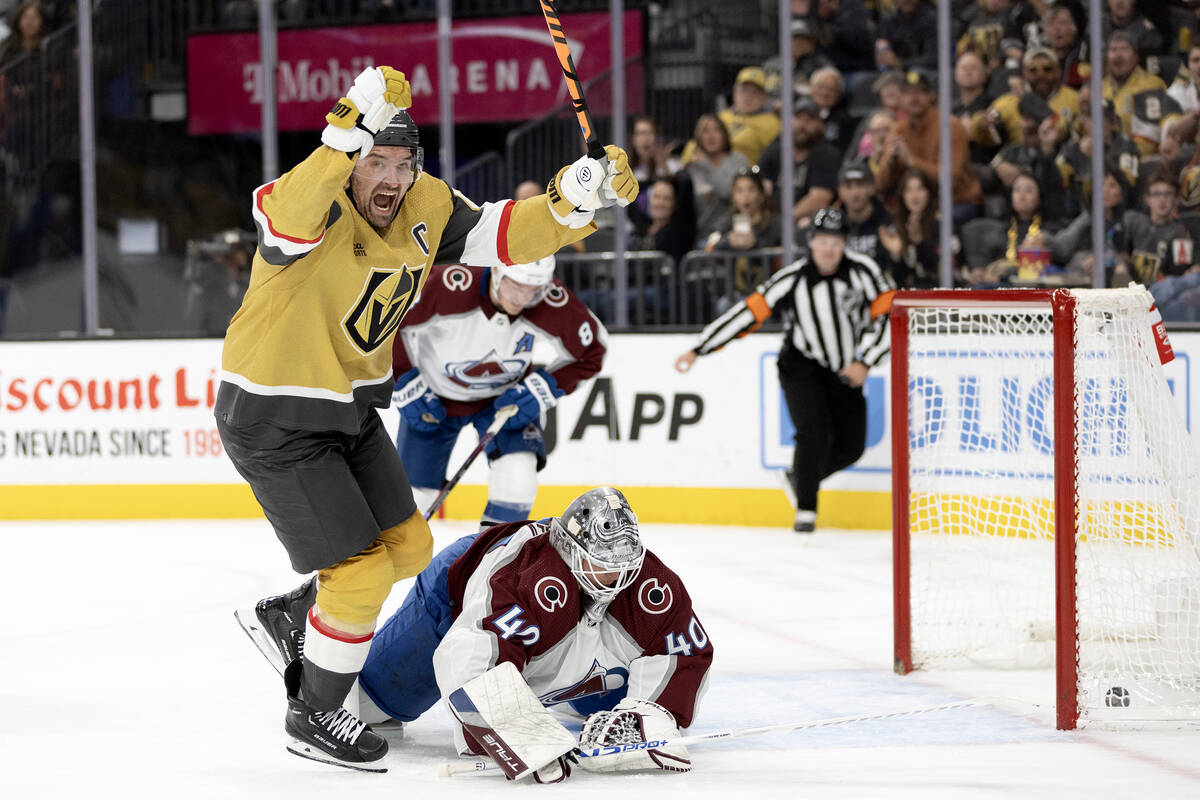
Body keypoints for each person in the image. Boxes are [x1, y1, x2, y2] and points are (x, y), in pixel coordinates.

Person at [220, 65, 637, 772]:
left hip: (348, 411)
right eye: (374, 163)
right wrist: (342, 132)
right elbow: (285, 217)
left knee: (409, 550)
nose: (389, 178)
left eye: (402, 164)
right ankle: (313, 711)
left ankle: (295, 615)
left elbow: (506, 233)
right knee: (358, 575)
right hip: (276, 413)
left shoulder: (426, 206)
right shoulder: (312, 202)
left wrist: (573, 198)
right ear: (351, 163)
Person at [353, 487, 713, 781]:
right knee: (369, 710)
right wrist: (518, 734)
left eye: (623, 566)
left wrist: (649, 715)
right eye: (601, 565)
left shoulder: (649, 583)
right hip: (455, 597)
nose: (615, 578)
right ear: (571, 550)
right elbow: (471, 653)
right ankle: (320, 651)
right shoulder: (531, 576)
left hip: (558, 639)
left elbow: (685, 651)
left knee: (612, 699)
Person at [674, 207, 894, 533]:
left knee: (851, 447)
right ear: (812, 242)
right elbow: (748, 313)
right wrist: (699, 347)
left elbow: (891, 313)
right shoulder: (792, 278)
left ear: (844, 243)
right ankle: (806, 510)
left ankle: (799, 479)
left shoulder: (864, 271)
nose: (829, 249)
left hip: (847, 366)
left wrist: (866, 361)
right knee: (813, 433)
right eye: (822, 240)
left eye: (836, 241)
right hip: (801, 365)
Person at [392, 255, 606, 527]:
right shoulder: (449, 285)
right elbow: (389, 319)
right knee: (413, 501)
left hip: (506, 403)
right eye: (516, 286)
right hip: (434, 400)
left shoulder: (550, 301)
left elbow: (594, 349)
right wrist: (403, 379)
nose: (522, 299)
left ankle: (492, 562)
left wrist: (542, 388)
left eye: (533, 290)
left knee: (518, 481)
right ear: (496, 270)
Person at [875, 68, 982, 223]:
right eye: (908, 93)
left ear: (932, 96)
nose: (914, 98)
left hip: (957, 202)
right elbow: (880, 185)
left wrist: (912, 161)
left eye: (921, 92)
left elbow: (950, 179)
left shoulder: (950, 127)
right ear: (901, 98)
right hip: (919, 205)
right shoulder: (898, 130)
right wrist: (891, 163)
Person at [757, 96, 841, 228]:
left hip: (809, 222)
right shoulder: (775, 149)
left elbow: (820, 198)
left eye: (809, 120)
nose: (803, 125)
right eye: (798, 119)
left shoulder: (827, 154)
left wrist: (783, 223)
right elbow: (761, 188)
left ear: (819, 125)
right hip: (773, 220)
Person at [878, 167, 940, 288]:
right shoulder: (893, 228)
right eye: (908, 190)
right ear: (902, 195)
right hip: (905, 295)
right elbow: (893, 279)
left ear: (929, 192)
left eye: (920, 188)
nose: (914, 195)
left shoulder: (941, 226)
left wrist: (919, 243)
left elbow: (936, 271)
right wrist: (895, 255)